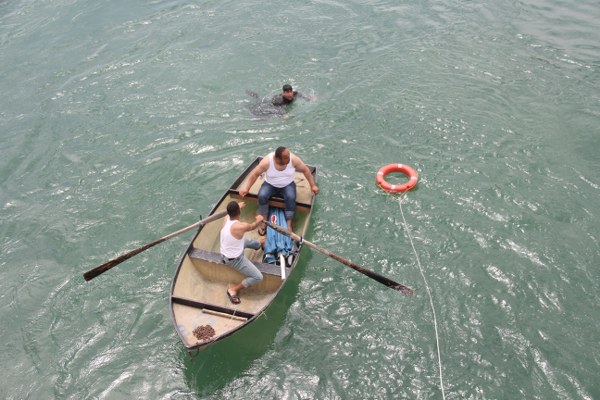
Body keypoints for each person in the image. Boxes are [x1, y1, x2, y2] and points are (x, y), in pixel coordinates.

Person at [239, 146, 319, 234]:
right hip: (270, 184)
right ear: (277, 158)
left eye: (288, 156)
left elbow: (306, 170)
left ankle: (289, 224)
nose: (289, 159)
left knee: (291, 197)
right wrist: (247, 188)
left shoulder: (293, 159)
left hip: (287, 184)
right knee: (262, 195)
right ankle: (264, 222)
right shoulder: (267, 161)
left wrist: (313, 185)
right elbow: (255, 174)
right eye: (286, 158)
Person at [220, 201, 264, 304]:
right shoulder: (240, 227)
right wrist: (259, 220)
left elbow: (232, 212)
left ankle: (258, 244)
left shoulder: (226, 218)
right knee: (258, 277)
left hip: (226, 250)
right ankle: (234, 290)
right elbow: (252, 226)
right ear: (239, 211)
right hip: (234, 259)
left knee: (244, 240)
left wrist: (238, 206)